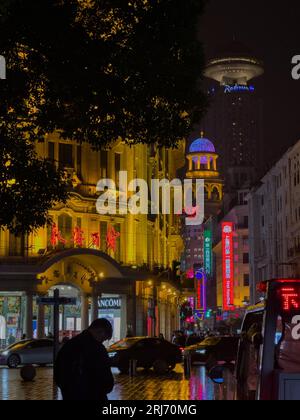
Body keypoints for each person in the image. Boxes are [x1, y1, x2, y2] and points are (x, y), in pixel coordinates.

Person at [54, 319, 114, 401]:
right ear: (100, 331)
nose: (102, 341)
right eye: (103, 338)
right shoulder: (97, 349)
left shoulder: (69, 345)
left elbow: (59, 373)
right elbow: (104, 375)